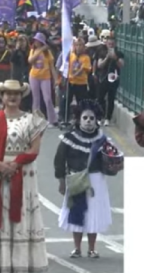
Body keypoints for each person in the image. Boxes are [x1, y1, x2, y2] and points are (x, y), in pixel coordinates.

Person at [0, 80, 48, 273]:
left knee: (20, 214)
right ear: (1, 97)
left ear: (21, 97)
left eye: (16, 94)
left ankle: (20, 264)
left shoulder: (32, 120)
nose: (12, 97)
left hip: (23, 172)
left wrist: (15, 164)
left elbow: (34, 149)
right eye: (8, 94)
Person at [54, 99, 120, 258]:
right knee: (77, 213)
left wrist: (114, 165)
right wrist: (62, 181)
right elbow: (59, 160)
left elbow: (112, 160)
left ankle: (92, 248)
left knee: (93, 214)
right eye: (85, 118)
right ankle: (77, 248)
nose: (89, 121)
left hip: (97, 181)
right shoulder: (69, 138)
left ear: (96, 119)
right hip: (76, 180)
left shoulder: (103, 140)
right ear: (78, 119)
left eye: (91, 118)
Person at [28, 32, 58, 125]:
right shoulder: (33, 51)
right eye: (35, 41)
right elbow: (30, 61)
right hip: (34, 76)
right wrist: (40, 50)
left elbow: (52, 66)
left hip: (45, 77)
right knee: (36, 99)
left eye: (38, 41)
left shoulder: (48, 53)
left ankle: (52, 119)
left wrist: (56, 79)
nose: (36, 42)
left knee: (48, 98)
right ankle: (35, 120)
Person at [95, 34, 124, 126]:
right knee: (100, 98)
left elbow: (122, 65)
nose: (110, 45)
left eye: (112, 44)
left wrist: (115, 58)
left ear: (115, 44)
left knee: (111, 99)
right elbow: (99, 65)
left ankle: (108, 118)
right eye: (109, 44)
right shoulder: (102, 53)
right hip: (103, 78)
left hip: (113, 78)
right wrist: (107, 57)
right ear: (106, 44)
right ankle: (100, 117)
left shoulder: (119, 54)